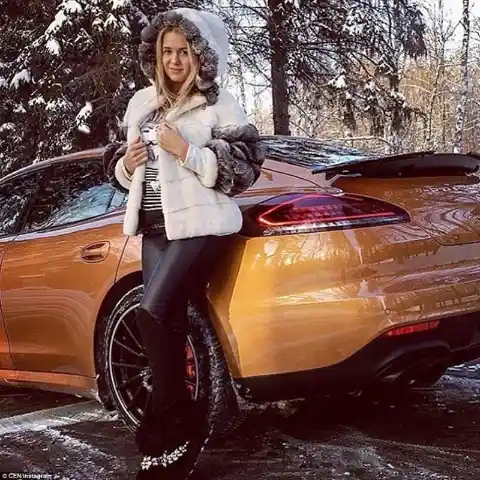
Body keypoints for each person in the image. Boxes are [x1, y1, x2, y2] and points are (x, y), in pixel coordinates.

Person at [103, 7, 265, 480]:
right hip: (155, 227)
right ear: (155, 55)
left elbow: (245, 166)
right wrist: (127, 164)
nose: (174, 60)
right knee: (166, 323)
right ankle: (174, 439)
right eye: (166, 51)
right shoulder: (141, 105)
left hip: (204, 226)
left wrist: (187, 151)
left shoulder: (219, 104)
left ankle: (176, 424)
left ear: (201, 54)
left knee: (151, 311)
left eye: (184, 51)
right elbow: (118, 168)